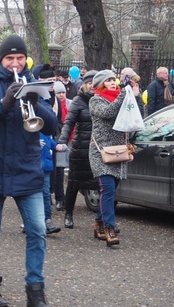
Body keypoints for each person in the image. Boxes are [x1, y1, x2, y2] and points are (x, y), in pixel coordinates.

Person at [0, 35, 58, 307]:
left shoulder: (36, 85)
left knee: (38, 230)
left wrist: (36, 102)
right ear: (1, 60)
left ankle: (35, 292)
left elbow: (52, 126)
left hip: (26, 168)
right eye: (9, 59)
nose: (15, 63)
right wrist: (5, 103)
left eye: (19, 58)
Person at [88, 69, 141, 247]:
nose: (112, 82)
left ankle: (99, 223)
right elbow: (108, 113)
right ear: (101, 84)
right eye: (108, 80)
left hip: (119, 151)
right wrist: (123, 95)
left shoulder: (121, 98)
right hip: (101, 153)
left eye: (114, 80)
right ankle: (110, 227)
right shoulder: (95, 100)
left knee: (110, 192)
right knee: (108, 190)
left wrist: (135, 96)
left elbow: (135, 115)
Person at [57, 70, 98, 229]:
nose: (93, 86)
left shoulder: (103, 100)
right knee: (74, 184)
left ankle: (102, 219)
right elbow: (69, 123)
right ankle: (68, 214)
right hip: (80, 149)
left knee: (101, 184)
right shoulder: (78, 101)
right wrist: (62, 140)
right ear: (84, 84)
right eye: (90, 83)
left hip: (98, 150)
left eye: (96, 83)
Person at [51, 80, 68, 211]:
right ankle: (53, 196)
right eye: (59, 92)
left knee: (60, 170)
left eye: (63, 92)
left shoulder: (70, 104)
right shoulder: (51, 104)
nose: (61, 95)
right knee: (54, 170)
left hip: (65, 139)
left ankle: (60, 198)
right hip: (54, 138)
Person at [39, 132, 61, 234]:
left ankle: (47, 220)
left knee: (46, 194)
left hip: (46, 167)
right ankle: (30, 222)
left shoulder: (45, 129)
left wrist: (57, 146)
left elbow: (49, 141)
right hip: (32, 166)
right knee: (31, 195)